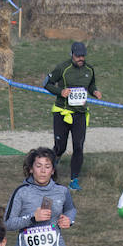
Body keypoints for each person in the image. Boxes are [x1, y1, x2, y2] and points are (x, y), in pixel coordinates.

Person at [44, 41, 103, 191]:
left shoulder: (89, 69)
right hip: (62, 113)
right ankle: (50, 169)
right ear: (72, 54)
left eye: (83, 56)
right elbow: (47, 83)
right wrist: (60, 92)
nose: (80, 59)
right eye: (78, 56)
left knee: (78, 146)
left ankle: (74, 180)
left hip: (80, 114)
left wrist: (95, 92)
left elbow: (91, 85)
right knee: (60, 147)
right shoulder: (63, 68)